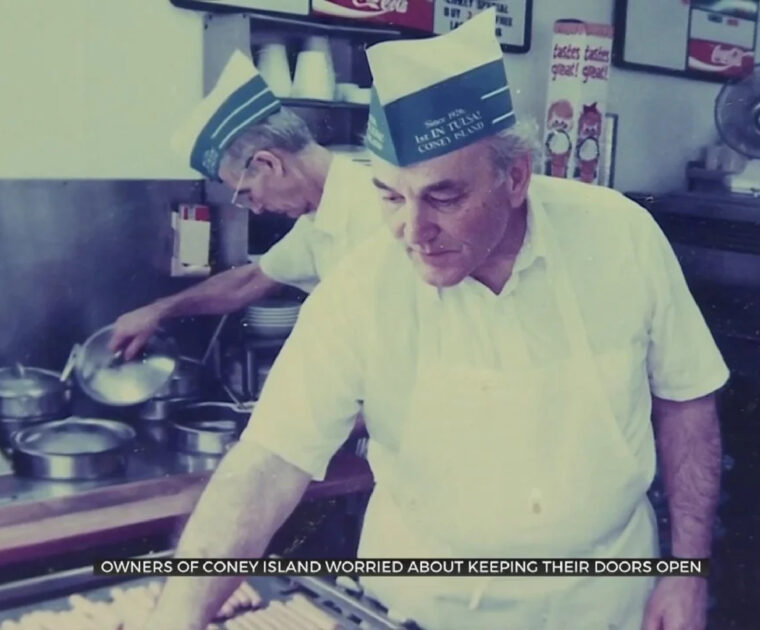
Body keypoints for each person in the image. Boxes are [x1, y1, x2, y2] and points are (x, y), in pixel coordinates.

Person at [145, 10, 727, 630]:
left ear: (515, 178)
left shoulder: (620, 239)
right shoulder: (363, 284)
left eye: (444, 197)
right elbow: (265, 465)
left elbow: (686, 401)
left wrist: (687, 571)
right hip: (424, 607)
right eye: (391, 197)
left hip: (602, 600)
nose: (413, 233)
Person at [108, 50, 381, 359]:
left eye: (248, 193)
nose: (257, 208)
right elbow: (249, 280)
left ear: (268, 164)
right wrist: (158, 311)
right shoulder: (319, 218)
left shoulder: (380, 208)